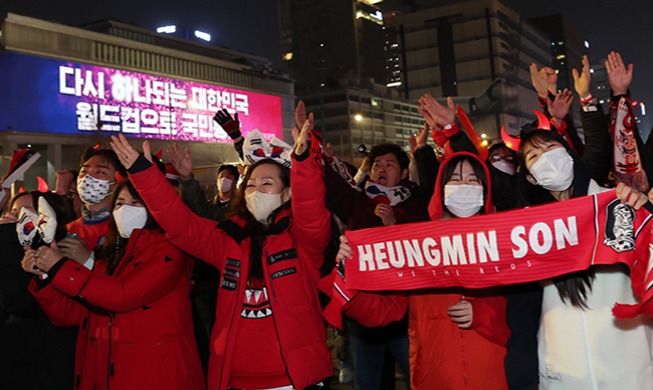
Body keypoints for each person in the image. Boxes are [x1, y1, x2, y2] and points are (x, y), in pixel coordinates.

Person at [109, 115, 333, 389]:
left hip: (292, 380)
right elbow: (180, 223)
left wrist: (302, 161)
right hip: (234, 378)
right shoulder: (229, 239)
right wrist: (143, 172)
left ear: (287, 193)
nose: (256, 190)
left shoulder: (302, 240)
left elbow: (311, 209)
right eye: (250, 184)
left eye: (266, 184)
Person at [337, 151, 510, 389]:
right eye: (455, 179)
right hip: (434, 374)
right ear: (442, 188)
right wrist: (351, 271)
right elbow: (382, 312)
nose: (464, 186)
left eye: (473, 180)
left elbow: (523, 313)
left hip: (493, 372)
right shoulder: (419, 245)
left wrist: (484, 314)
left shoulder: (504, 242)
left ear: (485, 188)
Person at [23, 180, 204, 390]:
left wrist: (60, 267)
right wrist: (46, 274)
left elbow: (122, 296)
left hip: (156, 372)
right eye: (119, 203)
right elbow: (74, 315)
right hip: (107, 370)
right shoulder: (111, 254)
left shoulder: (169, 250)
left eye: (135, 202)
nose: (125, 209)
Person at [515, 128, 653, 389]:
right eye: (534, 155)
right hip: (565, 376)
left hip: (632, 373)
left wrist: (646, 211)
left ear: (568, 154)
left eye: (551, 148)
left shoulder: (618, 205)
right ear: (530, 177)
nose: (546, 158)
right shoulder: (528, 231)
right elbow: (522, 312)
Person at [0, 191, 77, 390]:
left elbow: (18, 301)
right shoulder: (9, 247)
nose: (19, 218)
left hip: (46, 361)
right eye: (15, 211)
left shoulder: (61, 250)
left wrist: (7, 238)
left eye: (29, 211)